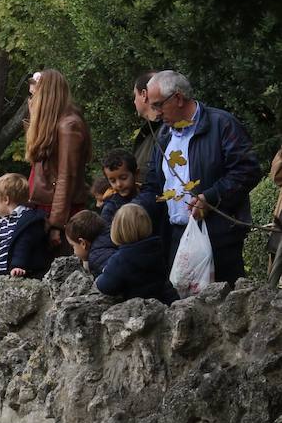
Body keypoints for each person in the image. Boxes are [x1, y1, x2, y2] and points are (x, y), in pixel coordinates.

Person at [142, 70, 262, 284]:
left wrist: (211, 197)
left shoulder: (221, 124)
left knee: (225, 306)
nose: (156, 113)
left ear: (178, 98)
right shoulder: (163, 135)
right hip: (178, 236)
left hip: (219, 236)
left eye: (158, 105)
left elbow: (247, 170)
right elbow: (153, 184)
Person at [25, 69, 91, 251]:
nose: (31, 100)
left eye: (35, 94)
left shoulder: (69, 125)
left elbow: (66, 177)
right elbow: (36, 162)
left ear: (46, 95)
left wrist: (56, 224)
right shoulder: (51, 124)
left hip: (59, 212)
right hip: (44, 208)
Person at [95, 204, 177, 304]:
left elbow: (106, 286)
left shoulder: (121, 259)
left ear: (117, 230)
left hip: (135, 308)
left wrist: (102, 275)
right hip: (161, 302)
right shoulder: (156, 248)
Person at [67, 209, 114, 277]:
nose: (74, 253)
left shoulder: (97, 257)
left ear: (83, 243)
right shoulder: (109, 235)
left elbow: (111, 278)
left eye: (73, 246)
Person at [131, 71, 160, 176]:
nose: (134, 101)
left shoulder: (167, 132)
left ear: (144, 95)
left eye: (135, 95)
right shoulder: (147, 133)